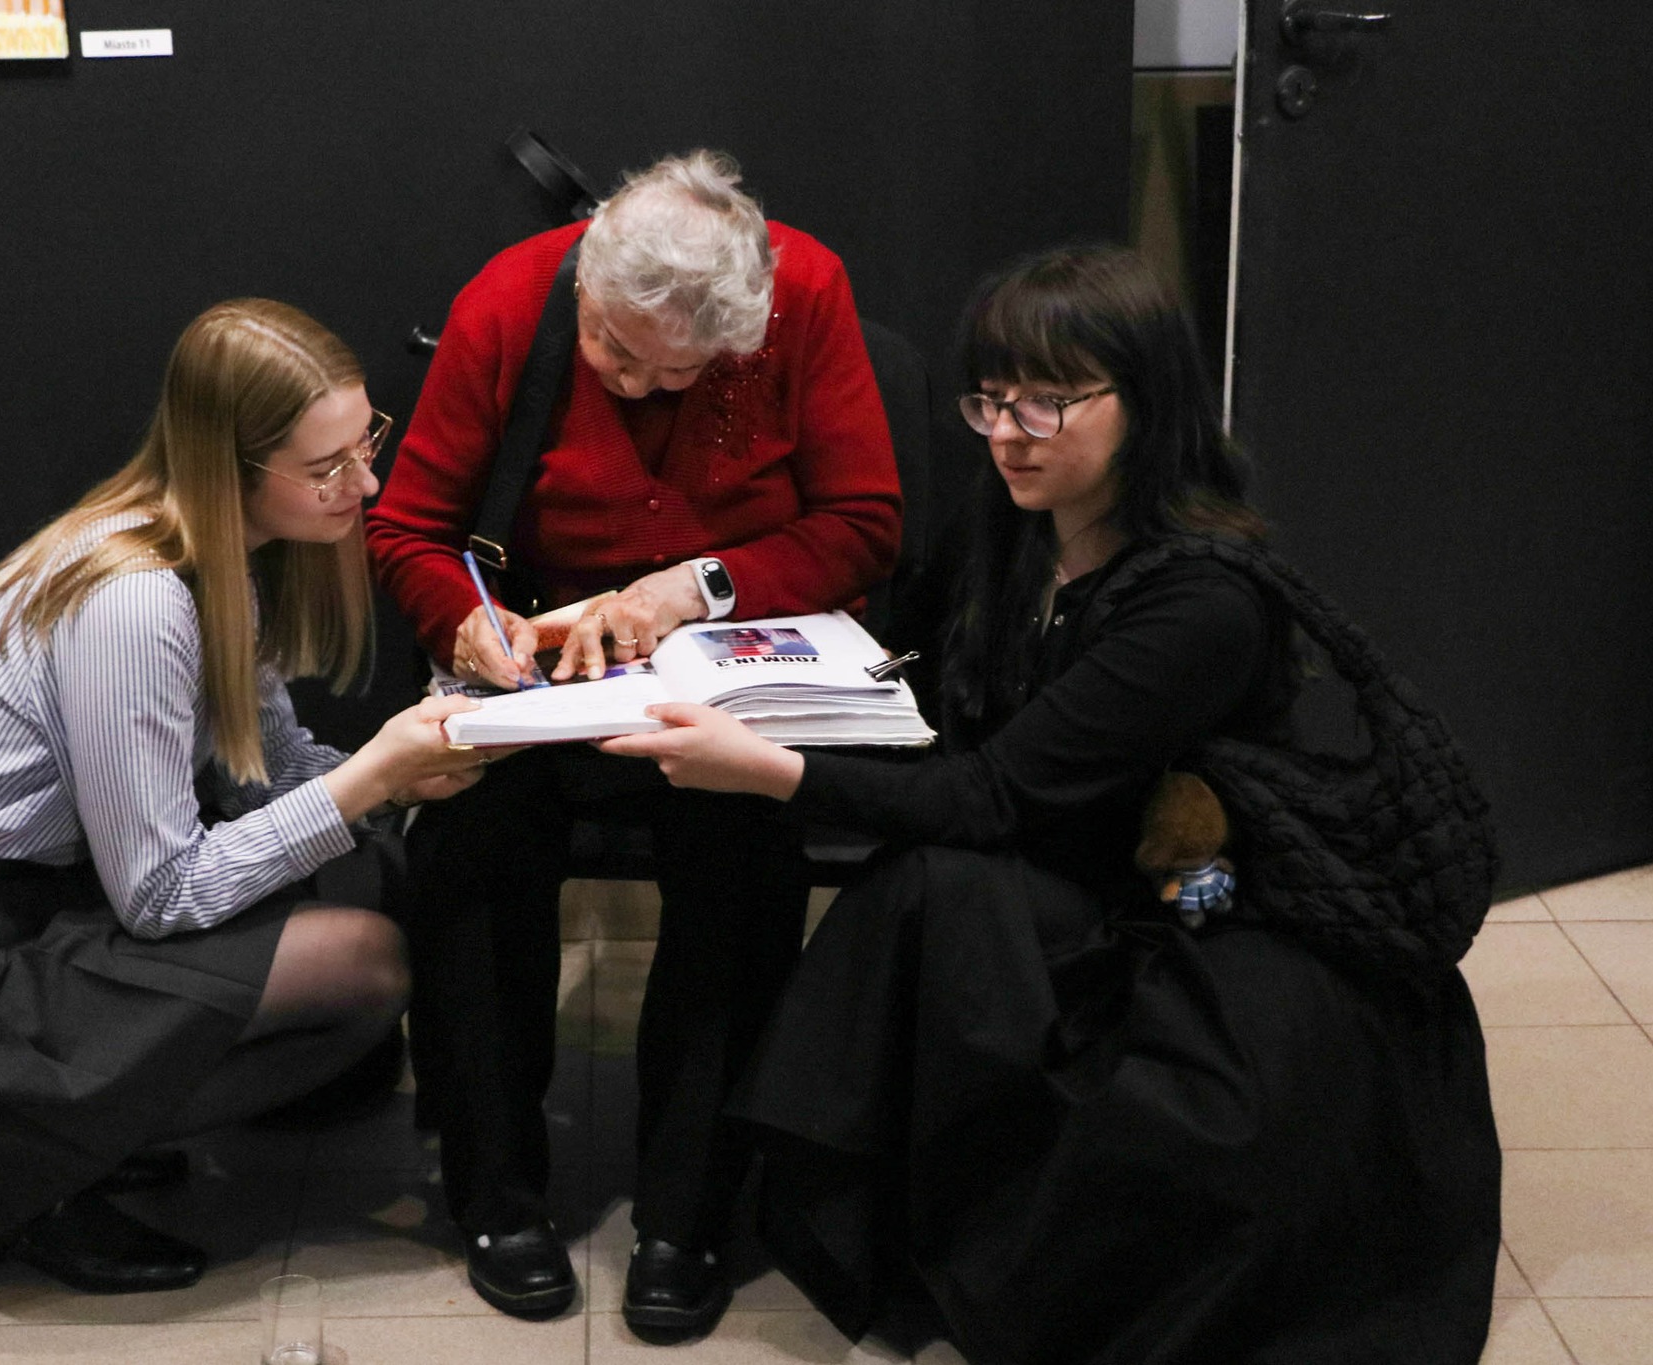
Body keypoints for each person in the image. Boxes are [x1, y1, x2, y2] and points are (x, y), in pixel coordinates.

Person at [601, 245, 1502, 1362]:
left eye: (1048, 402)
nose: (1008, 434)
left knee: (935, 888)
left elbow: (993, 795)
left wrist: (770, 765)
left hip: (1188, 920)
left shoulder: (1198, 600)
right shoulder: (1016, 526)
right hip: (1057, 865)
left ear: (1146, 400)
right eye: (989, 400)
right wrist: (735, 669)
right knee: (918, 885)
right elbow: (905, 667)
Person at [0, 299, 487, 1295]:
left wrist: (421, 763)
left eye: (365, 442)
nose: (365, 483)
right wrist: (370, 778)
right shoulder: (136, 598)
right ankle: (31, 1177)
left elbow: (268, 766)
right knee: (364, 962)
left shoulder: (216, 557)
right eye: (326, 465)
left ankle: (87, 1134)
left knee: (376, 870)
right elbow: (160, 894)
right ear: (231, 466)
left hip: (28, 906)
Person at [365, 149, 900, 1337]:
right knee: (471, 840)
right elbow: (407, 528)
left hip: (718, 651)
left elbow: (863, 523)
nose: (641, 386)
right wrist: (468, 624)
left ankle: (687, 1212)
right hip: (539, 649)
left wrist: (694, 588)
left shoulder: (805, 291)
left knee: (741, 856)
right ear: (586, 285)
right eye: (615, 352)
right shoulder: (511, 297)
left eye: (678, 371)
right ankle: (496, 1194)